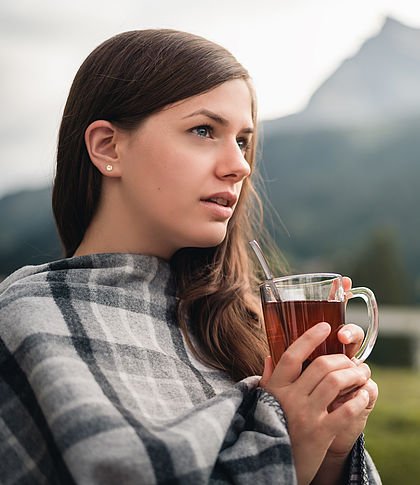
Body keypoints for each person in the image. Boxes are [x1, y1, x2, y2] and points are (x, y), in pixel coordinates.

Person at [0, 29, 381, 484]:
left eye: (242, 140)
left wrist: (332, 449)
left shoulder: (244, 324)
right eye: (204, 130)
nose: (239, 164)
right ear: (108, 147)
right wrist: (288, 442)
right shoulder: (29, 322)